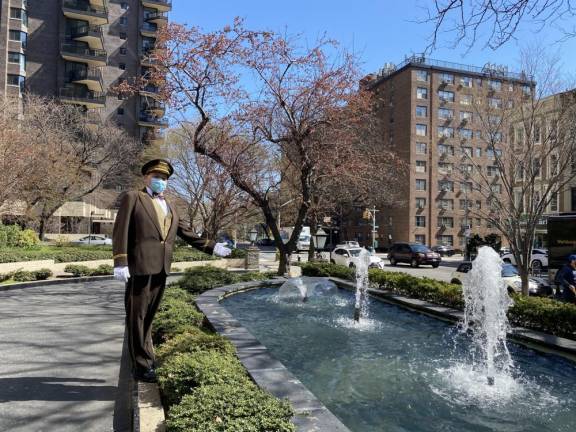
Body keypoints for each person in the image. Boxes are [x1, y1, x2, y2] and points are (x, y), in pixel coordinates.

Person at [112, 159, 231, 382]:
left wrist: (213, 247)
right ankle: (140, 366)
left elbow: (187, 232)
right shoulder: (134, 198)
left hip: (161, 268)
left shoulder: (171, 206)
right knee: (136, 316)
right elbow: (120, 231)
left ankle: (146, 357)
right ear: (146, 177)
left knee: (149, 316)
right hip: (139, 267)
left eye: (164, 179)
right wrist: (120, 262)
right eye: (157, 177)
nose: (161, 181)